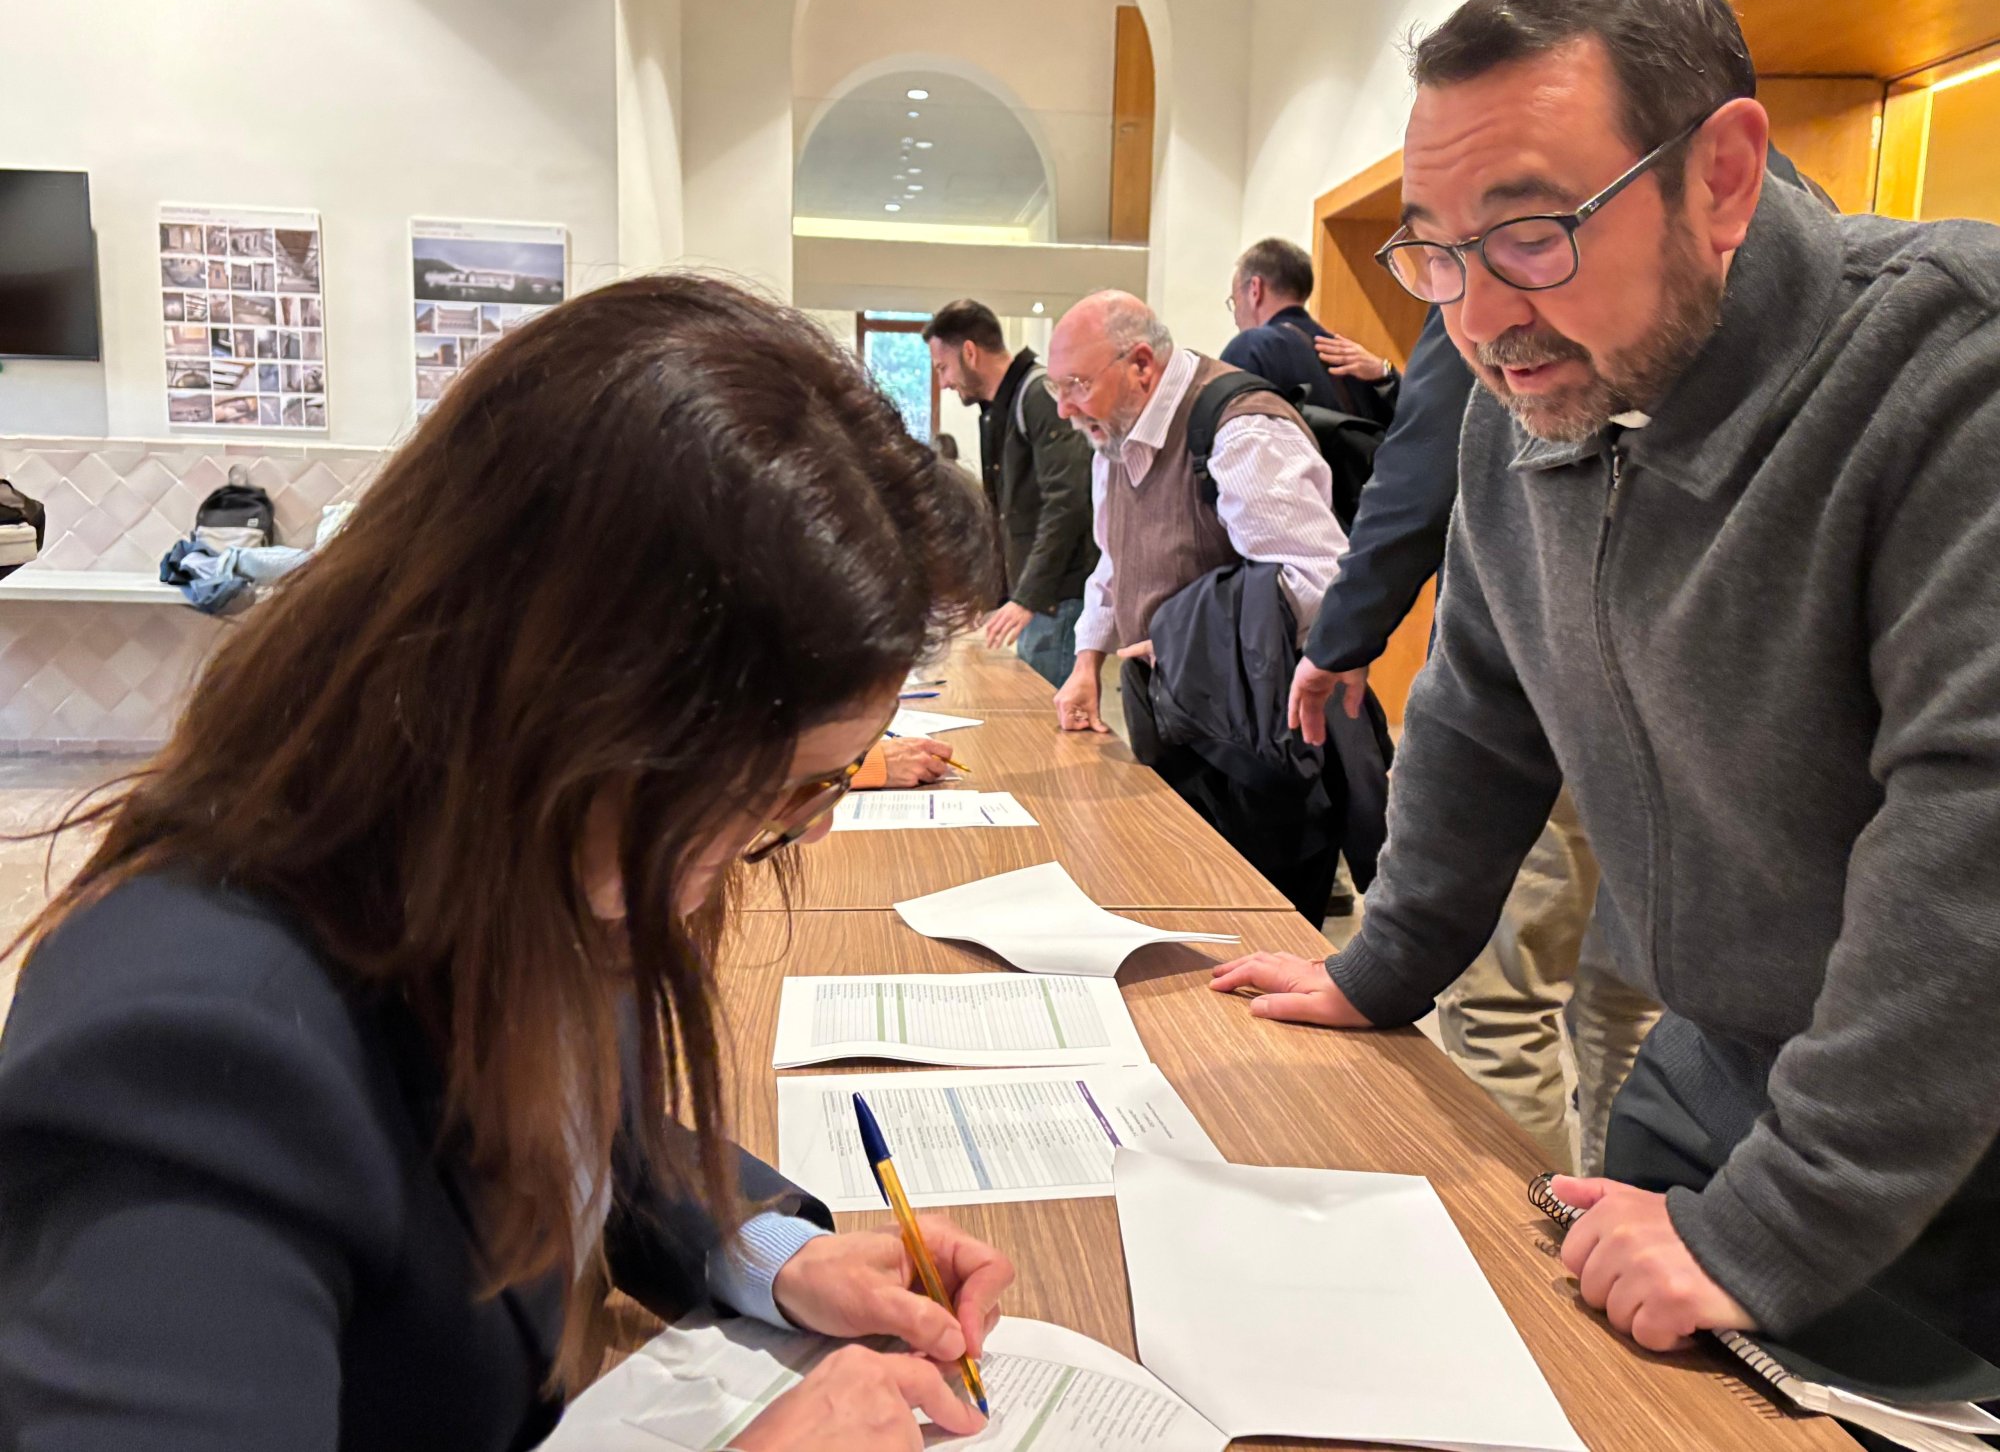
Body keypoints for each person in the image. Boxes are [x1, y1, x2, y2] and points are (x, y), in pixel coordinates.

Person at [0, 276, 1015, 1451]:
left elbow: (591, 1131)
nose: (810, 831)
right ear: (583, 716)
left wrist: (775, 1253)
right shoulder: (191, 1050)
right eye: (788, 786)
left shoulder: (529, 866)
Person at [1212, 0, 2000, 1377]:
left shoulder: (1951, 370)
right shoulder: (1540, 396)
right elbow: (1480, 704)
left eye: (1531, 231)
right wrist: (1383, 963)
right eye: (1434, 251)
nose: (1480, 316)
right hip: (1709, 1075)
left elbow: (1976, 848)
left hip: (1946, 1150)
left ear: (1725, 175)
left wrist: (1771, 1227)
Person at [1291, 309, 1658, 1175]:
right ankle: (1606, 1237)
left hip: (1564, 713)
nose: (1475, 298)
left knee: (1501, 1002)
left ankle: (1531, 1285)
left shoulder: (1511, 308)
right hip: (1623, 718)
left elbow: (1417, 476)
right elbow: (1477, 671)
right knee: (1631, 1009)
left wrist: (1343, 633)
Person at [1048, 289, 1351, 920]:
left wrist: (1185, 643)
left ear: (1140, 365)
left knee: (1256, 924)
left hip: (1253, 737)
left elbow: (1318, 577)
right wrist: (1085, 663)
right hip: (1166, 718)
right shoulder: (1113, 434)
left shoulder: (1238, 426)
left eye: (1076, 384)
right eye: (1057, 387)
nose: (1064, 408)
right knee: (1178, 909)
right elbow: (1114, 561)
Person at [924, 300, 1096, 688]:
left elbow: (1068, 502)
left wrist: (1026, 597)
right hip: (1038, 600)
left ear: (970, 352)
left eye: (943, 367)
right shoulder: (998, 408)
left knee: (1048, 725)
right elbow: (1005, 514)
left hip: (1057, 599)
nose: (944, 382)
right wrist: (991, 596)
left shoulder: (1037, 396)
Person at [1221, 236, 1401, 424]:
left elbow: (1219, 439)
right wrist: (1387, 372)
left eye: (1235, 301)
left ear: (1255, 290)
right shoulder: (1353, 361)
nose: (1235, 318)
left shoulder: (1250, 348)